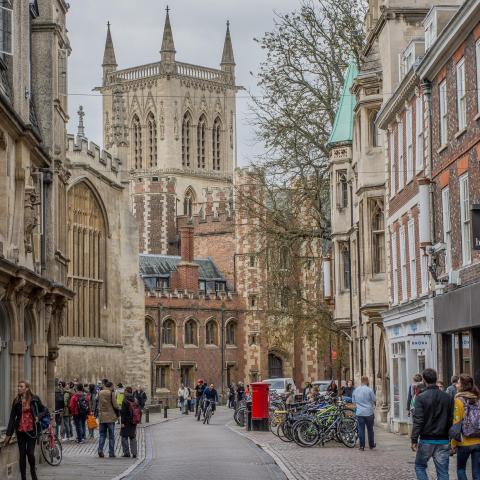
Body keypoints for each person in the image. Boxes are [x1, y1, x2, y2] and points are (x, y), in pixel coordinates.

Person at [411, 368, 454, 480]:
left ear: (424, 380)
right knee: (443, 472)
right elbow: (451, 419)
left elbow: (418, 420)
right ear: (436, 379)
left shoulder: (421, 397)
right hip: (443, 439)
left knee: (420, 466)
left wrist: (414, 439)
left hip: (426, 439)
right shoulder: (448, 397)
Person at [4, 381, 46, 480]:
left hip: (31, 431)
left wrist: (38, 417)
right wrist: (8, 435)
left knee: (30, 453)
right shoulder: (16, 401)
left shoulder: (34, 399)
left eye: (21, 386)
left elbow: (44, 410)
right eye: (18, 386)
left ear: (26, 388)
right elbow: (12, 418)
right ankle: (23, 477)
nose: (18, 388)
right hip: (20, 431)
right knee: (22, 455)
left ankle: (32, 471)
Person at [451, 374, 480, 480]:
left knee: (461, 469)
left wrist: (453, 443)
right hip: (478, 441)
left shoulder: (458, 400)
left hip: (463, 441)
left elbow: (456, 422)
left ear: (462, 386)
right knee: (477, 472)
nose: (456, 384)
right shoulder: (477, 399)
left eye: (458, 383)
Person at [352, 376, 376, 451]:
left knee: (361, 429)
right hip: (369, 412)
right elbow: (374, 399)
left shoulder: (356, 390)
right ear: (367, 381)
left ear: (361, 381)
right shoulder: (369, 390)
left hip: (360, 412)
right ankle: (371, 445)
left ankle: (362, 446)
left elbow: (353, 401)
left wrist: (359, 405)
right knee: (370, 429)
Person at [98, 381, 119, 458]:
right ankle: (111, 452)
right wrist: (119, 409)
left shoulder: (100, 393)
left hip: (102, 417)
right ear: (110, 386)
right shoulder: (111, 393)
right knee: (111, 436)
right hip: (110, 417)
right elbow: (115, 405)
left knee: (102, 435)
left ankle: (100, 450)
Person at [120, 386, 141, 458]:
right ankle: (134, 453)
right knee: (132, 436)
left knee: (124, 437)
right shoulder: (135, 399)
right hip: (134, 421)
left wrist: (122, 423)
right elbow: (139, 410)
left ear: (126, 392)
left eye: (125, 391)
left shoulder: (125, 400)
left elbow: (123, 413)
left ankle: (126, 453)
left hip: (126, 421)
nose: (124, 392)